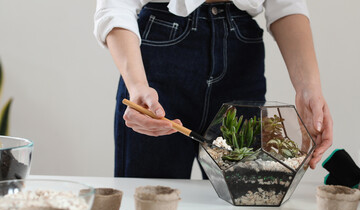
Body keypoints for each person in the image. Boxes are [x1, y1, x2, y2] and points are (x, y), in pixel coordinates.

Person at [94, 0, 333, 178]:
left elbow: (287, 5)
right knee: (150, 203)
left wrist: (308, 89)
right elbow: (115, 4)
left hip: (240, 56)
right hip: (159, 54)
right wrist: (137, 86)